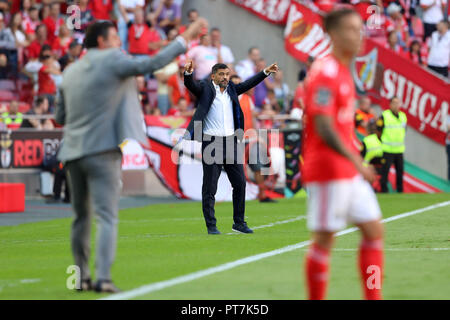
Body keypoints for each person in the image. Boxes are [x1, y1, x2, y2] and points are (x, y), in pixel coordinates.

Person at [54, 18, 207, 293]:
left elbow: (59, 117)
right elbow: (150, 64)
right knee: (107, 216)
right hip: (102, 151)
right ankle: (103, 278)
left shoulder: (70, 71)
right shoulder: (113, 60)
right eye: (114, 38)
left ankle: (81, 277)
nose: (118, 42)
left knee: (80, 217)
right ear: (102, 42)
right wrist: (187, 37)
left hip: (73, 152)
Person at [302, 8, 384, 300]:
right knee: (324, 242)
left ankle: (374, 297)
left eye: (359, 28)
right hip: (328, 170)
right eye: (351, 29)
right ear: (334, 35)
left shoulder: (344, 72)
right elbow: (323, 126)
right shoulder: (326, 72)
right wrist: (356, 161)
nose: (358, 34)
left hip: (347, 171)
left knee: (374, 231)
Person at [182, 60, 279, 235]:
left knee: (240, 183)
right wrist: (188, 74)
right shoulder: (205, 88)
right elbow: (191, 86)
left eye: (227, 74)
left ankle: (239, 223)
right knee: (210, 187)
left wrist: (265, 72)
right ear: (213, 76)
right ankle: (211, 225)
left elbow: (248, 83)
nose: (225, 77)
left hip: (231, 142)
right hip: (211, 142)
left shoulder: (232, 90)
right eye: (221, 74)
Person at [230, 74, 276, 203]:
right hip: (235, 140)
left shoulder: (247, 98)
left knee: (258, 166)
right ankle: (238, 197)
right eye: (235, 83)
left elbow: (253, 117)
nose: (238, 85)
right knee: (237, 171)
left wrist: (257, 135)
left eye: (239, 82)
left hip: (250, 138)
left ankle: (262, 194)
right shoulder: (227, 99)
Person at [379, 96, 407, 193]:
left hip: (399, 150)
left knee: (400, 172)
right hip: (387, 149)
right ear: (390, 104)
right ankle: (384, 190)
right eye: (394, 103)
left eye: (398, 103)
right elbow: (379, 130)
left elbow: (404, 130)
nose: (396, 105)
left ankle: (400, 191)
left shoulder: (403, 116)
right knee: (385, 171)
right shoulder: (384, 115)